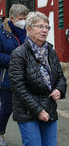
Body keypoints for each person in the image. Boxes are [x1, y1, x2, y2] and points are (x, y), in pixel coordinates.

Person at [9, 12, 67, 146]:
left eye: (47, 27)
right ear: (29, 29)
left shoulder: (50, 51)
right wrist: (38, 110)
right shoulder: (19, 54)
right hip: (27, 109)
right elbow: (18, 87)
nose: (45, 30)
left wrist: (59, 89)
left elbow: (60, 76)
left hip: (49, 106)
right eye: (40, 26)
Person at [0, 4, 29, 146]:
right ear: (12, 18)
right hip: (5, 77)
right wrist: (15, 60)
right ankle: (0, 133)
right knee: (7, 107)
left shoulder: (26, 31)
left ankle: (30, 137)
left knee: (27, 107)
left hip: (25, 76)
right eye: (20, 18)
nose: (23, 21)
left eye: (25, 18)